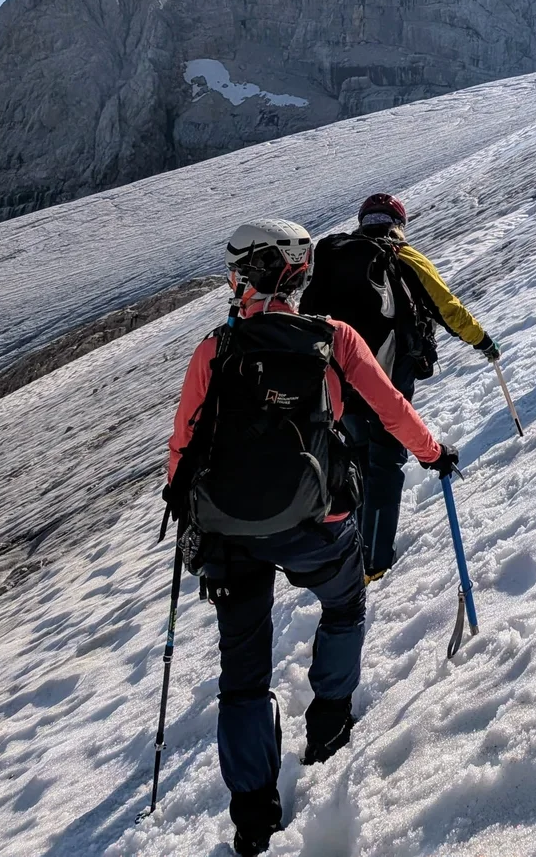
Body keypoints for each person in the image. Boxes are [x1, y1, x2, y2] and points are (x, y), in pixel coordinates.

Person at [163, 219, 457, 856]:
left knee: (242, 674)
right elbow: (390, 409)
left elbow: (182, 446)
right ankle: (329, 721)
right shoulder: (334, 339)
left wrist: (186, 513)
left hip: (230, 533)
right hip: (316, 523)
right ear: (298, 276)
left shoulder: (215, 349)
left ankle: (253, 814)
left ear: (245, 277)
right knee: (343, 604)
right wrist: (434, 453)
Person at [300, 193, 500, 583]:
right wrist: (483, 341)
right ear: (398, 223)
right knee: (385, 463)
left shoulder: (336, 258)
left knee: (357, 461)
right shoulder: (402, 256)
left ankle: (353, 549)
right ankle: (375, 562)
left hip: (338, 384)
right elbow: (448, 308)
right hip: (387, 378)